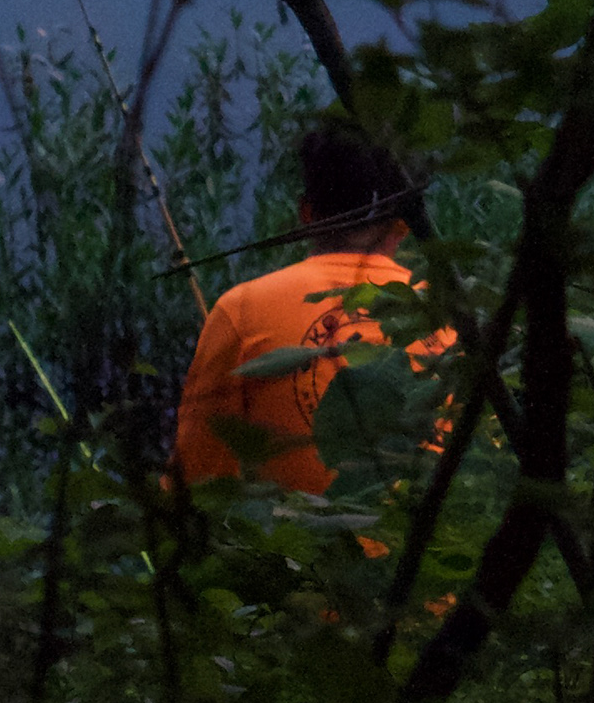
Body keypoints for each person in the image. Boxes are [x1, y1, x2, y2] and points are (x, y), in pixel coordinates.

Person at [172, 115, 445, 492]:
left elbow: (194, 492)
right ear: (405, 223)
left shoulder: (242, 311)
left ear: (306, 214)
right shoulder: (451, 318)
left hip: (304, 548)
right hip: (437, 546)